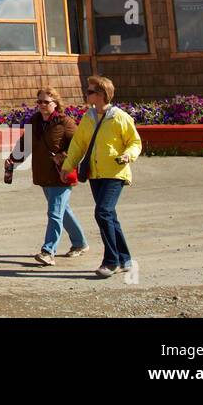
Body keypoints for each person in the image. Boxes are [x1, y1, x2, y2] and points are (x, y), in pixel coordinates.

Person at [60, 75, 142, 278]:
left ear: (102, 94)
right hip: (95, 173)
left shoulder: (120, 117)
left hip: (115, 172)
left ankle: (111, 261)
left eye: (90, 91)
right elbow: (78, 145)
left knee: (103, 212)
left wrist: (128, 155)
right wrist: (67, 167)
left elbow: (135, 142)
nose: (86, 94)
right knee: (110, 217)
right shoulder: (87, 118)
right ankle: (125, 259)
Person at [5, 88, 88, 266]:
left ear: (55, 104)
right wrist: (13, 160)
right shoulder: (34, 121)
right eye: (39, 101)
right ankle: (80, 243)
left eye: (46, 102)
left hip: (61, 173)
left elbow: (81, 145)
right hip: (43, 173)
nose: (42, 105)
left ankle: (48, 251)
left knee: (54, 213)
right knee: (62, 211)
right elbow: (25, 144)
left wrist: (64, 155)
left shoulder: (65, 122)